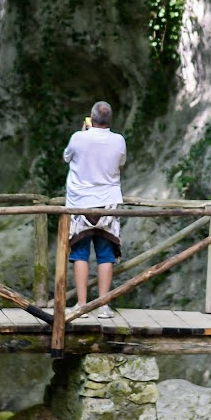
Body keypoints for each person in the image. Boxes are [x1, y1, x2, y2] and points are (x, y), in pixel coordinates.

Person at [63, 101, 127, 310]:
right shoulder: (119, 140)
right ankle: (103, 306)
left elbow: (67, 157)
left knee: (80, 253)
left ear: (91, 118)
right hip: (107, 203)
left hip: (80, 202)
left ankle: (82, 304)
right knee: (105, 254)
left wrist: (84, 133)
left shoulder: (78, 138)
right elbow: (121, 163)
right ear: (110, 120)